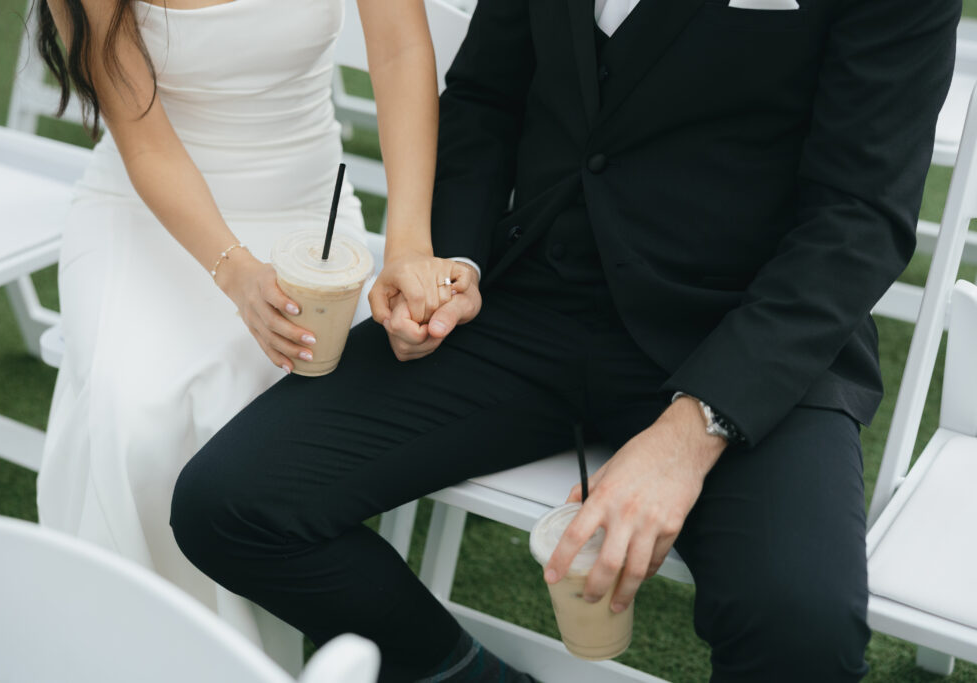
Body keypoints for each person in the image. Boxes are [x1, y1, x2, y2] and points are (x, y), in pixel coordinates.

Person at [170, 0, 959, 680]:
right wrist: (456, 261)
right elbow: (485, 97)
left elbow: (859, 216)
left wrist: (695, 428)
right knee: (230, 502)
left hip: (747, 334)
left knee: (804, 631)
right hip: (528, 300)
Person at [34, 0, 471, 649]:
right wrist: (236, 272)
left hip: (302, 207)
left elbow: (401, 52)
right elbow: (144, 139)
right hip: (147, 209)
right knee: (134, 416)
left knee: (255, 422)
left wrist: (407, 245)